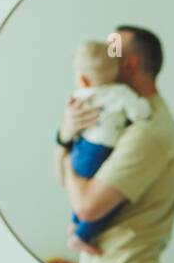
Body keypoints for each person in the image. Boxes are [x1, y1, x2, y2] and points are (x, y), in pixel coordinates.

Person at [55, 26, 174, 263]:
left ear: (130, 64)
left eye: (111, 51)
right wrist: (65, 135)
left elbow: (86, 207)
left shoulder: (148, 129)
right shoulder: (115, 116)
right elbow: (63, 182)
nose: (102, 57)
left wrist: (68, 157)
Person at [63, 40, 153, 247]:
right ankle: (82, 235)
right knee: (106, 204)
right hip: (100, 152)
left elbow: (68, 132)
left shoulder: (77, 95)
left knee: (81, 192)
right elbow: (140, 113)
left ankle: (74, 221)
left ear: (83, 80)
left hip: (79, 149)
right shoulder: (120, 93)